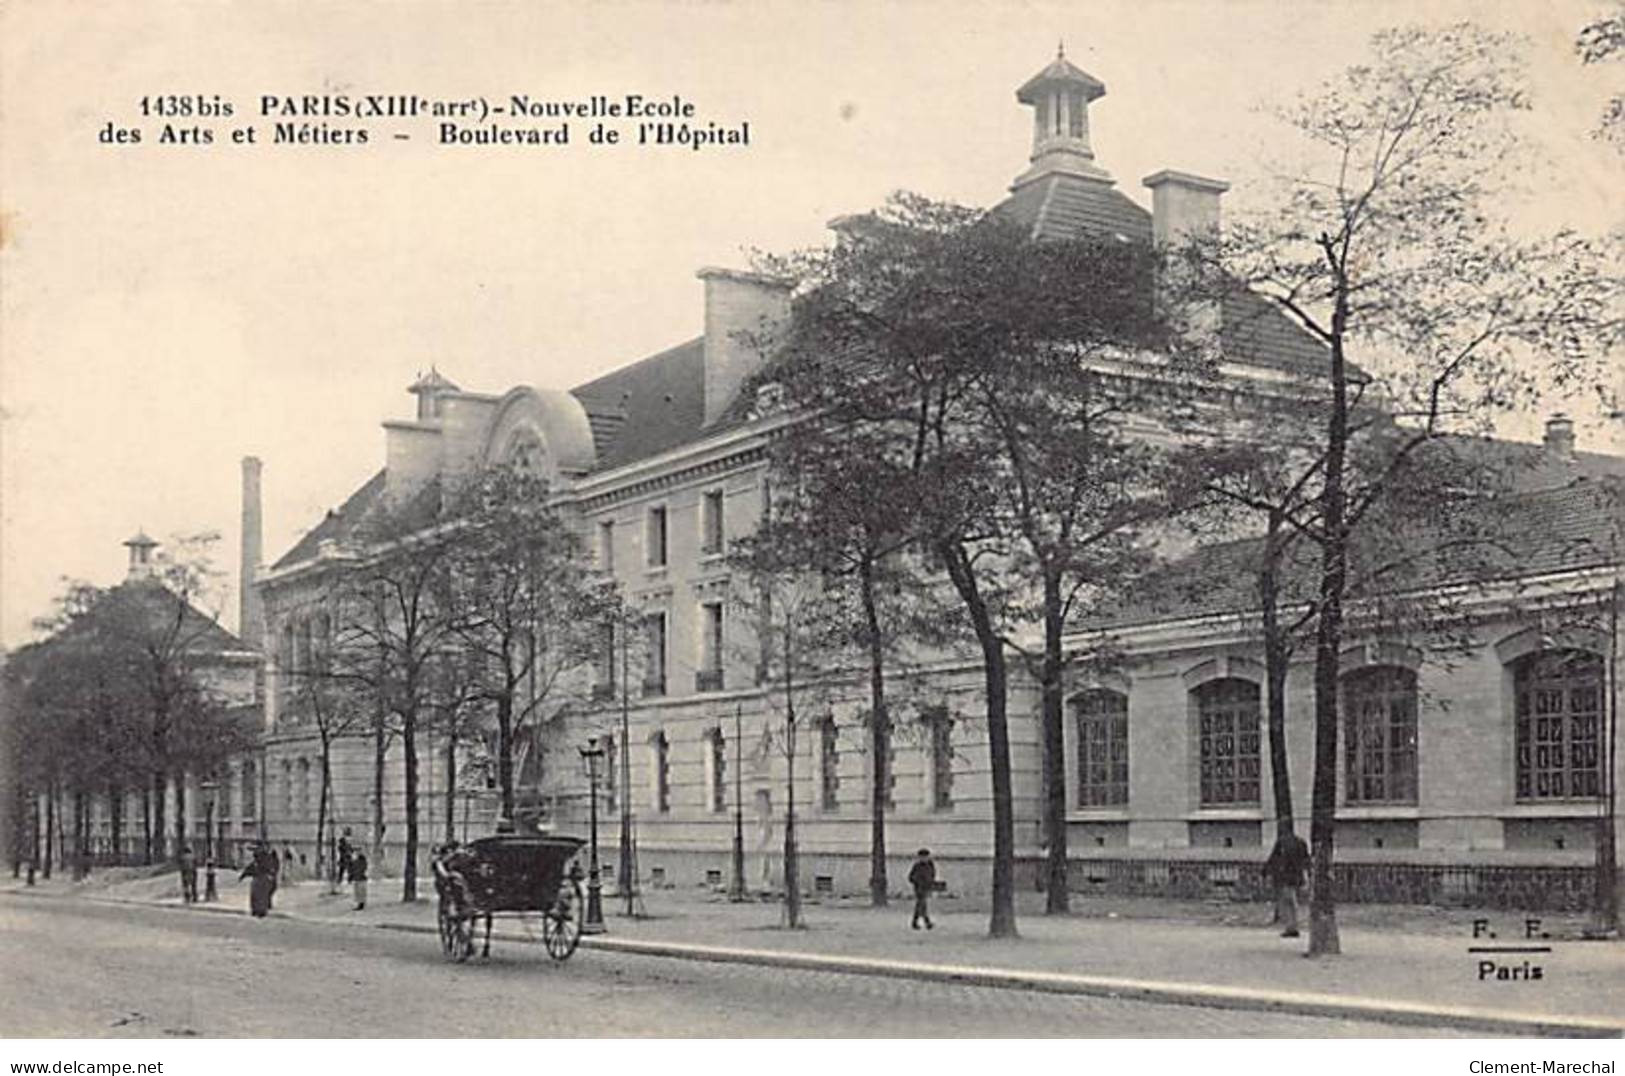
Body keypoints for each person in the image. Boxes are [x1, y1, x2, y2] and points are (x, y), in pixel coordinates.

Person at [1263, 829, 1311, 938]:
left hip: (1285, 875)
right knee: (1291, 901)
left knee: (1288, 901)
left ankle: (1291, 927)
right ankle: (1293, 925)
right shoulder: (1301, 842)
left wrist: (1266, 871)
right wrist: (1307, 874)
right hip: (1297, 876)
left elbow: (1274, 857)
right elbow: (1306, 859)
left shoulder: (1282, 842)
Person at [240, 841, 279, 918]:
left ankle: (260, 910)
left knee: (260, 894)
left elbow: (254, 867)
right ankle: (258, 910)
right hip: (260, 878)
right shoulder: (260, 859)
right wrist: (243, 875)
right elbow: (251, 867)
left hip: (262, 879)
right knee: (258, 894)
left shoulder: (265, 858)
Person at [907, 848, 936, 930]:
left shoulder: (930, 865)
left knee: (920, 905)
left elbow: (932, 875)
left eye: (925, 857)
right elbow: (910, 877)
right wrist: (917, 881)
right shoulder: (917, 866)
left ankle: (916, 922)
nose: (923, 859)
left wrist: (930, 883)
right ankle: (926, 922)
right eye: (922, 857)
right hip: (919, 888)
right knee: (922, 904)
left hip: (926, 888)